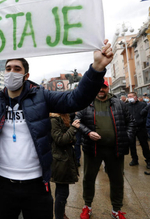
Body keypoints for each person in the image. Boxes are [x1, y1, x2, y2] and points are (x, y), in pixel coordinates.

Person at [0, 39, 113, 219]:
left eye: (17, 69)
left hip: (37, 183)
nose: (11, 73)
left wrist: (97, 68)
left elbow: (75, 100)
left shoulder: (41, 96)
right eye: (8, 69)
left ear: (26, 74)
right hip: (3, 183)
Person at [76, 80, 135, 219]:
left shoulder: (119, 104)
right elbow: (77, 122)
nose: (101, 89)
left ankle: (116, 209)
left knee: (117, 180)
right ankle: (87, 206)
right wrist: (88, 133)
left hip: (115, 150)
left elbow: (131, 122)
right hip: (93, 149)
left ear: (108, 88)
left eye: (103, 87)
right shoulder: (86, 104)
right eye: (98, 87)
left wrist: (127, 137)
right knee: (89, 179)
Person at [50, 113, 79, 219]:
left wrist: (70, 135)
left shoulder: (64, 118)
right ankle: (59, 215)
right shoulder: (54, 120)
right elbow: (60, 140)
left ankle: (61, 213)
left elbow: (73, 139)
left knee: (61, 190)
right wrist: (73, 128)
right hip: (60, 161)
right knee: (62, 192)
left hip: (65, 158)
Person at [126, 92, 150, 169]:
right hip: (131, 129)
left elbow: (147, 116)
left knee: (144, 145)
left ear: (135, 97)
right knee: (132, 145)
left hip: (141, 128)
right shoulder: (126, 106)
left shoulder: (142, 105)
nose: (130, 98)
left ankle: (148, 160)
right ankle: (134, 159)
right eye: (128, 96)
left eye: (131, 96)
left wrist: (142, 122)